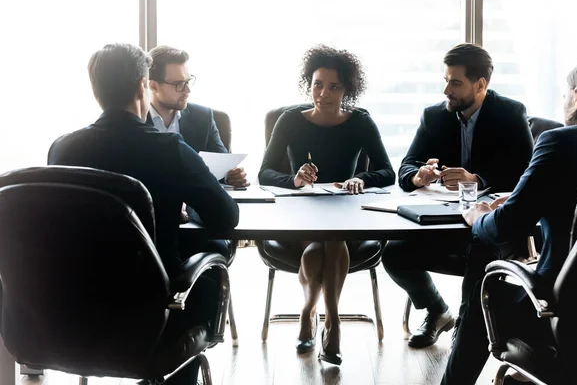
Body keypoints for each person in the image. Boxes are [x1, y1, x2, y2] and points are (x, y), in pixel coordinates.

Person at [47, 43, 239, 385]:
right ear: (142, 87)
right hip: (152, 316)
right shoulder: (169, 149)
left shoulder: (62, 149)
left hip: (77, 310)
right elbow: (225, 217)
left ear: (96, 90)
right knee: (210, 264)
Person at [441, 59, 577, 385]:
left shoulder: (560, 141)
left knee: (484, 300)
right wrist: (519, 199)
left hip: (566, 312)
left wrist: (478, 217)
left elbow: (506, 226)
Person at [382, 43, 534, 348]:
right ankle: (438, 310)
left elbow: (527, 171)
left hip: (491, 228)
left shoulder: (510, 113)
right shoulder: (434, 116)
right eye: (445, 80)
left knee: (479, 256)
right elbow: (406, 167)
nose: (446, 90)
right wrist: (417, 175)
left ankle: (469, 332)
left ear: (480, 85)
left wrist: (478, 179)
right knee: (393, 254)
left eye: (455, 82)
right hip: (442, 222)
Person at [258, 45, 395, 365]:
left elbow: (387, 172)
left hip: (345, 215)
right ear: (309, 84)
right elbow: (264, 172)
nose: (324, 93)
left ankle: (315, 316)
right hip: (298, 214)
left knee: (328, 241)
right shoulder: (290, 119)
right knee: (323, 242)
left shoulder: (360, 121)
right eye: (318, 84)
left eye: (334, 86)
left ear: (347, 89)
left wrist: (362, 178)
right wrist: (294, 179)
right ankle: (328, 325)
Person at [147, 45, 247, 261]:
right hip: (151, 226)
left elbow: (221, 161)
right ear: (152, 86)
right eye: (178, 84)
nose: (187, 90)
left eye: (188, 80)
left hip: (199, 219)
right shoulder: (134, 120)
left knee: (216, 248)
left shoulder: (203, 117)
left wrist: (231, 174)